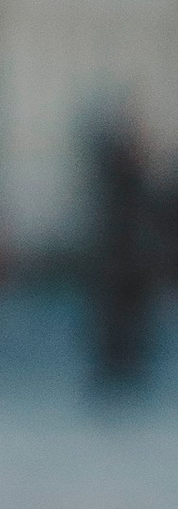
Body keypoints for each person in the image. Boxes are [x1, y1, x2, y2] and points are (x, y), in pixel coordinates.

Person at [83, 102, 161, 397]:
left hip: (129, 263)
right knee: (116, 318)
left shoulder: (128, 179)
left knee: (128, 318)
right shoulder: (119, 179)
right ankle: (117, 365)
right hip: (121, 262)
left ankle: (124, 364)